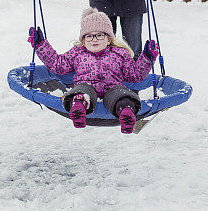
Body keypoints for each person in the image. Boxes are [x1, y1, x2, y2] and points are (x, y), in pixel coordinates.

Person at [28, 7, 159, 133]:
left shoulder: (120, 53)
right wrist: (40, 44)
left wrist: (147, 57)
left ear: (109, 39)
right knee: (81, 92)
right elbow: (57, 64)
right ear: (83, 41)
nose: (94, 39)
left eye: (99, 35)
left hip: (113, 89)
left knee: (122, 96)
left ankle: (126, 115)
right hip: (86, 87)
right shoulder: (77, 53)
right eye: (89, 36)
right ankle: (78, 109)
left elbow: (135, 75)